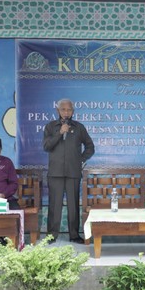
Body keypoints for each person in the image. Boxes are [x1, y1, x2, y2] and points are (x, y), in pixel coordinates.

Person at [43, 98, 95, 244]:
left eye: (69, 110)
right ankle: (51, 235)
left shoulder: (79, 127)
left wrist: (80, 160)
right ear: (57, 110)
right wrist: (60, 132)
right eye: (63, 109)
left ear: (73, 111)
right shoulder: (51, 126)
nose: (66, 112)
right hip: (55, 172)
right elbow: (46, 146)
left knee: (73, 205)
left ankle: (74, 235)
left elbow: (90, 147)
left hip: (73, 172)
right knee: (55, 205)